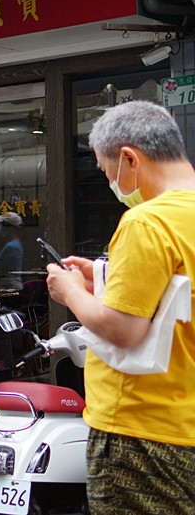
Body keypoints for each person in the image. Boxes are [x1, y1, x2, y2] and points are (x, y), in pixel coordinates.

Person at [46, 100, 195, 514]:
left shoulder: (147, 222)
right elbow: (175, 296)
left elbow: (124, 330)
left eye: (107, 170)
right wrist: (105, 275)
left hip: (141, 430)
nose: (110, 180)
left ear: (130, 158)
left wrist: (70, 290)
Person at [0, 212, 24, 290]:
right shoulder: (16, 243)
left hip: (10, 285)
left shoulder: (11, 246)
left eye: (2, 224)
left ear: (10, 228)